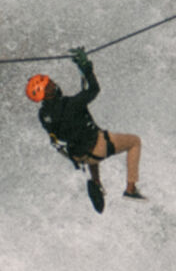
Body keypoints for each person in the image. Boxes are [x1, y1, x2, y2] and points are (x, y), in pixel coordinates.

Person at [26, 48, 144, 212]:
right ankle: (130, 189)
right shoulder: (71, 104)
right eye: (50, 84)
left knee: (87, 140)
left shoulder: (43, 115)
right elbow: (93, 89)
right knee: (134, 142)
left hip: (78, 155)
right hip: (96, 148)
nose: (54, 83)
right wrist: (86, 67)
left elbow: (65, 124)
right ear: (47, 92)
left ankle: (96, 182)